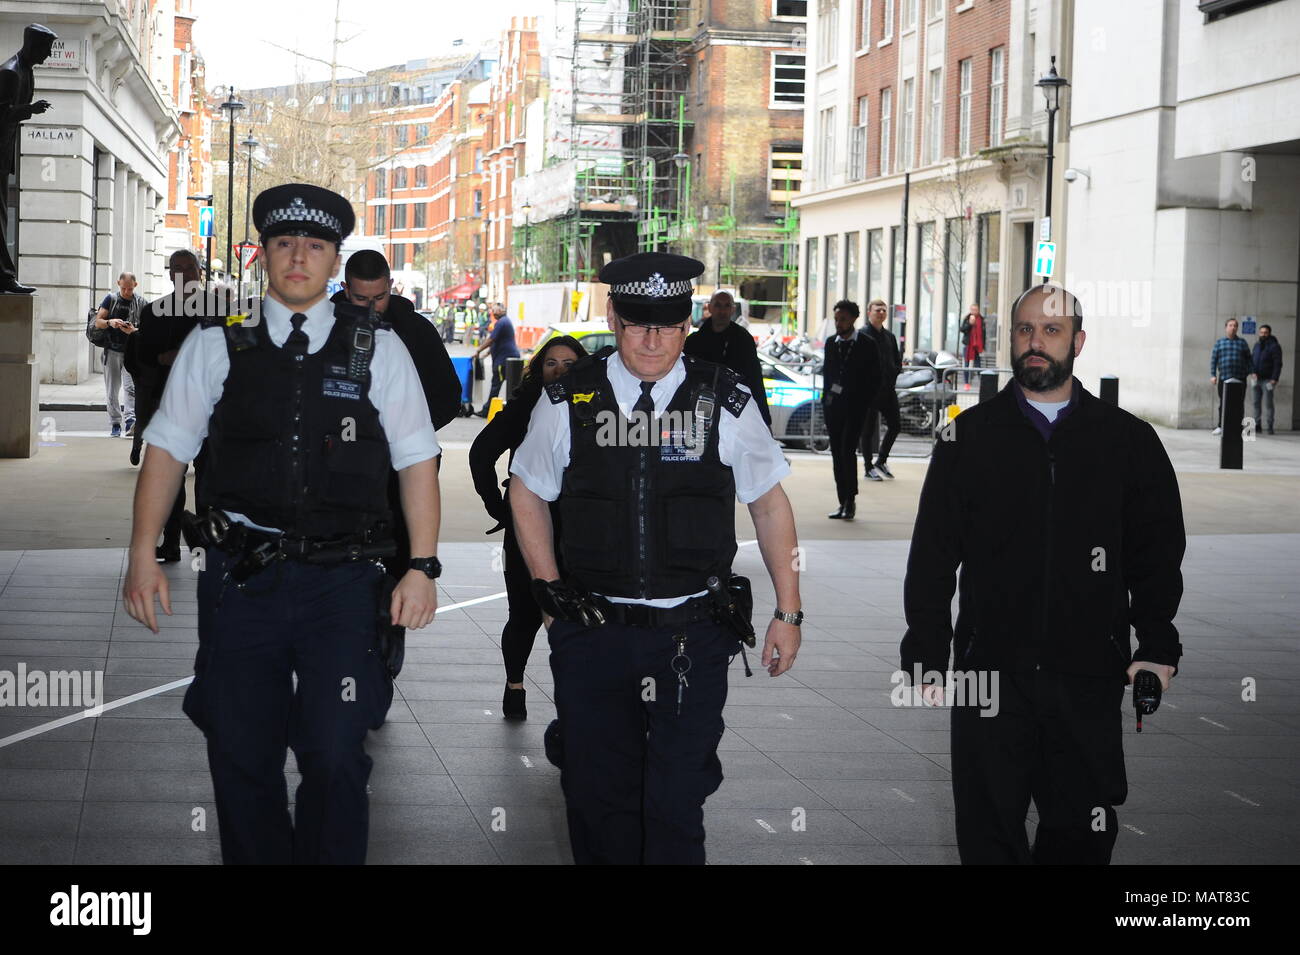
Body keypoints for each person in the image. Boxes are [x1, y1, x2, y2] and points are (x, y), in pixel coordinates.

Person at [122, 183, 442, 865]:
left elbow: (418, 461)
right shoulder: (216, 346)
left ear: (334, 260)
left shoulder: (375, 350)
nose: (299, 256)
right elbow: (168, 450)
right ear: (263, 253)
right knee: (241, 753)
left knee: (333, 751)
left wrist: (422, 566)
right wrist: (142, 554)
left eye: (316, 246)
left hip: (345, 585)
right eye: (285, 243)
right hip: (242, 581)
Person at [508, 251, 803, 865]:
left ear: (686, 324)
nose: (651, 338)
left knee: (676, 802)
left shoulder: (722, 399)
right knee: (596, 798)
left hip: (690, 636)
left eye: (666, 324)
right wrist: (549, 593)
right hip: (592, 631)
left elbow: (769, 505)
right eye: (638, 322)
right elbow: (528, 488)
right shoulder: (569, 398)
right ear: (613, 316)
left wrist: (789, 611)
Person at [902, 283, 1185, 865]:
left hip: (1089, 674)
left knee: (1082, 837)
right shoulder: (966, 436)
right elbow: (932, 555)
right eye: (1026, 330)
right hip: (990, 676)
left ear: (1078, 342)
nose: (1036, 343)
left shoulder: (1128, 441)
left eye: (1051, 331)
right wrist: (927, 651)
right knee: (988, 835)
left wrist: (1157, 644)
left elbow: (1156, 552)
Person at [469, 335, 587, 720]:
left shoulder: (599, 405)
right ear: (539, 369)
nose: (560, 372)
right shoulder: (525, 406)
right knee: (524, 613)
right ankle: (514, 685)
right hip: (529, 521)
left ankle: (575, 694)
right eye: (551, 363)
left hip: (584, 529)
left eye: (569, 364)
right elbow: (481, 453)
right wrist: (499, 509)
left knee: (578, 616)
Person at [131, 250, 216, 559]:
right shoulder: (154, 312)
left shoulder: (219, 309)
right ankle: (170, 542)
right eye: (176, 268)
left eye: (188, 268)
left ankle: (208, 544)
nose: (182, 273)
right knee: (170, 481)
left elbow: (230, 354)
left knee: (208, 481)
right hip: (170, 406)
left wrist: (177, 355)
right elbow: (147, 359)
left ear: (199, 272)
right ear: (169, 274)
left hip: (210, 409)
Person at [0, 24, 56, 293]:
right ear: (34, 46)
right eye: (46, 49)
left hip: (4, 150)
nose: (47, 56)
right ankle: (5, 276)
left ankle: (4, 275)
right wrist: (29, 109)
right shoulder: (10, 73)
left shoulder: (27, 72)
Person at [821, 300, 880, 520]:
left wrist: (866, 404)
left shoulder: (866, 344)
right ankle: (841, 500)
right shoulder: (830, 343)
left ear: (854, 319)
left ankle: (850, 500)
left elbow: (876, 378)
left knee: (847, 451)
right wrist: (826, 401)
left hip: (856, 409)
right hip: (834, 408)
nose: (838, 323)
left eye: (842, 319)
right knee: (837, 453)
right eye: (836, 319)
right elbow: (828, 376)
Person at [682, 290, 772, 426]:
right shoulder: (694, 342)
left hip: (735, 410)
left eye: (727, 306)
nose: (722, 311)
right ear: (710, 308)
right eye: (718, 305)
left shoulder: (743, 340)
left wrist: (764, 419)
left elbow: (755, 379)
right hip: (701, 408)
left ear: (733, 309)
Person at [92, 272, 145, 437]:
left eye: (130, 288)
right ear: (118, 284)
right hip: (112, 351)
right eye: (123, 288)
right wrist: (111, 322)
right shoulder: (111, 299)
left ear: (135, 285)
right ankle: (115, 423)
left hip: (131, 351)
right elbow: (97, 322)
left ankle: (131, 422)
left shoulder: (141, 302)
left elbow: (147, 330)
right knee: (112, 390)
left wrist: (133, 331)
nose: (127, 292)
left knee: (131, 388)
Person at [859, 298, 902, 481]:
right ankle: (868, 466)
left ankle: (881, 460)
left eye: (884, 310)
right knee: (867, 431)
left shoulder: (889, 336)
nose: (881, 313)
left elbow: (896, 360)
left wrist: (893, 374)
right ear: (869, 312)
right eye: (878, 310)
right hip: (868, 392)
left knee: (896, 425)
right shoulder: (862, 335)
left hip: (887, 390)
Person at [473, 303, 521, 416]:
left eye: (496, 309)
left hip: (503, 360)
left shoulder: (502, 322)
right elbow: (498, 342)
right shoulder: (504, 322)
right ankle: (510, 409)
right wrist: (486, 354)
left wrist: (479, 350)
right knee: (510, 386)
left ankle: (487, 410)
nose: (493, 312)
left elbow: (491, 340)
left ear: (502, 310)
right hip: (507, 359)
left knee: (496, 385)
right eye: (493, 310)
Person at [1209, 317, 1254, 435]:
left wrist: (1252, 372)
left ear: (1237, 328)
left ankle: (1238, 428)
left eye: (1235, 326)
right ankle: (1221, 426)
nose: (1233, 328)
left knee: (1239, 404)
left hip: (1240, 379)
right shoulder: (1220, 343)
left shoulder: (1242, 342)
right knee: (1223, 403)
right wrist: (1213, 375)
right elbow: (1214, 360)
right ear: (1226, 328)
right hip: (1224, 378)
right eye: (1230, 325)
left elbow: (1249, 359)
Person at [1251, 324, 1283, 436]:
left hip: (1268, 380)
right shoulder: (1257, 345)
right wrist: (1253, 372)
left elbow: (1278, 364)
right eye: (1261, 332)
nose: (1263, 334)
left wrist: (1274, 378)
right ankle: (1257, 425)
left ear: (1269, 333)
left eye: (1265, 332)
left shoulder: (1274, 346)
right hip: (1256, 379)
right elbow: (1253, 360)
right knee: (1255, 403)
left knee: (1268, 404)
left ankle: (1270, 426)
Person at [959, 303, 985, 385]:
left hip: (977, 346)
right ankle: (966, 383)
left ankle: (981, 383)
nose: (974, 311)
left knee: (978, 365)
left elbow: (984, 334)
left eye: (976, 310)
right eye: (972, 310)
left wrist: (983, 346)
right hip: (968, 345)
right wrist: (970, 324)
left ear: (978, 310)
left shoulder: (981, 319)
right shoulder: (967, 318)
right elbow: (962, 329)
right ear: (970, 310)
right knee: (966, 364)